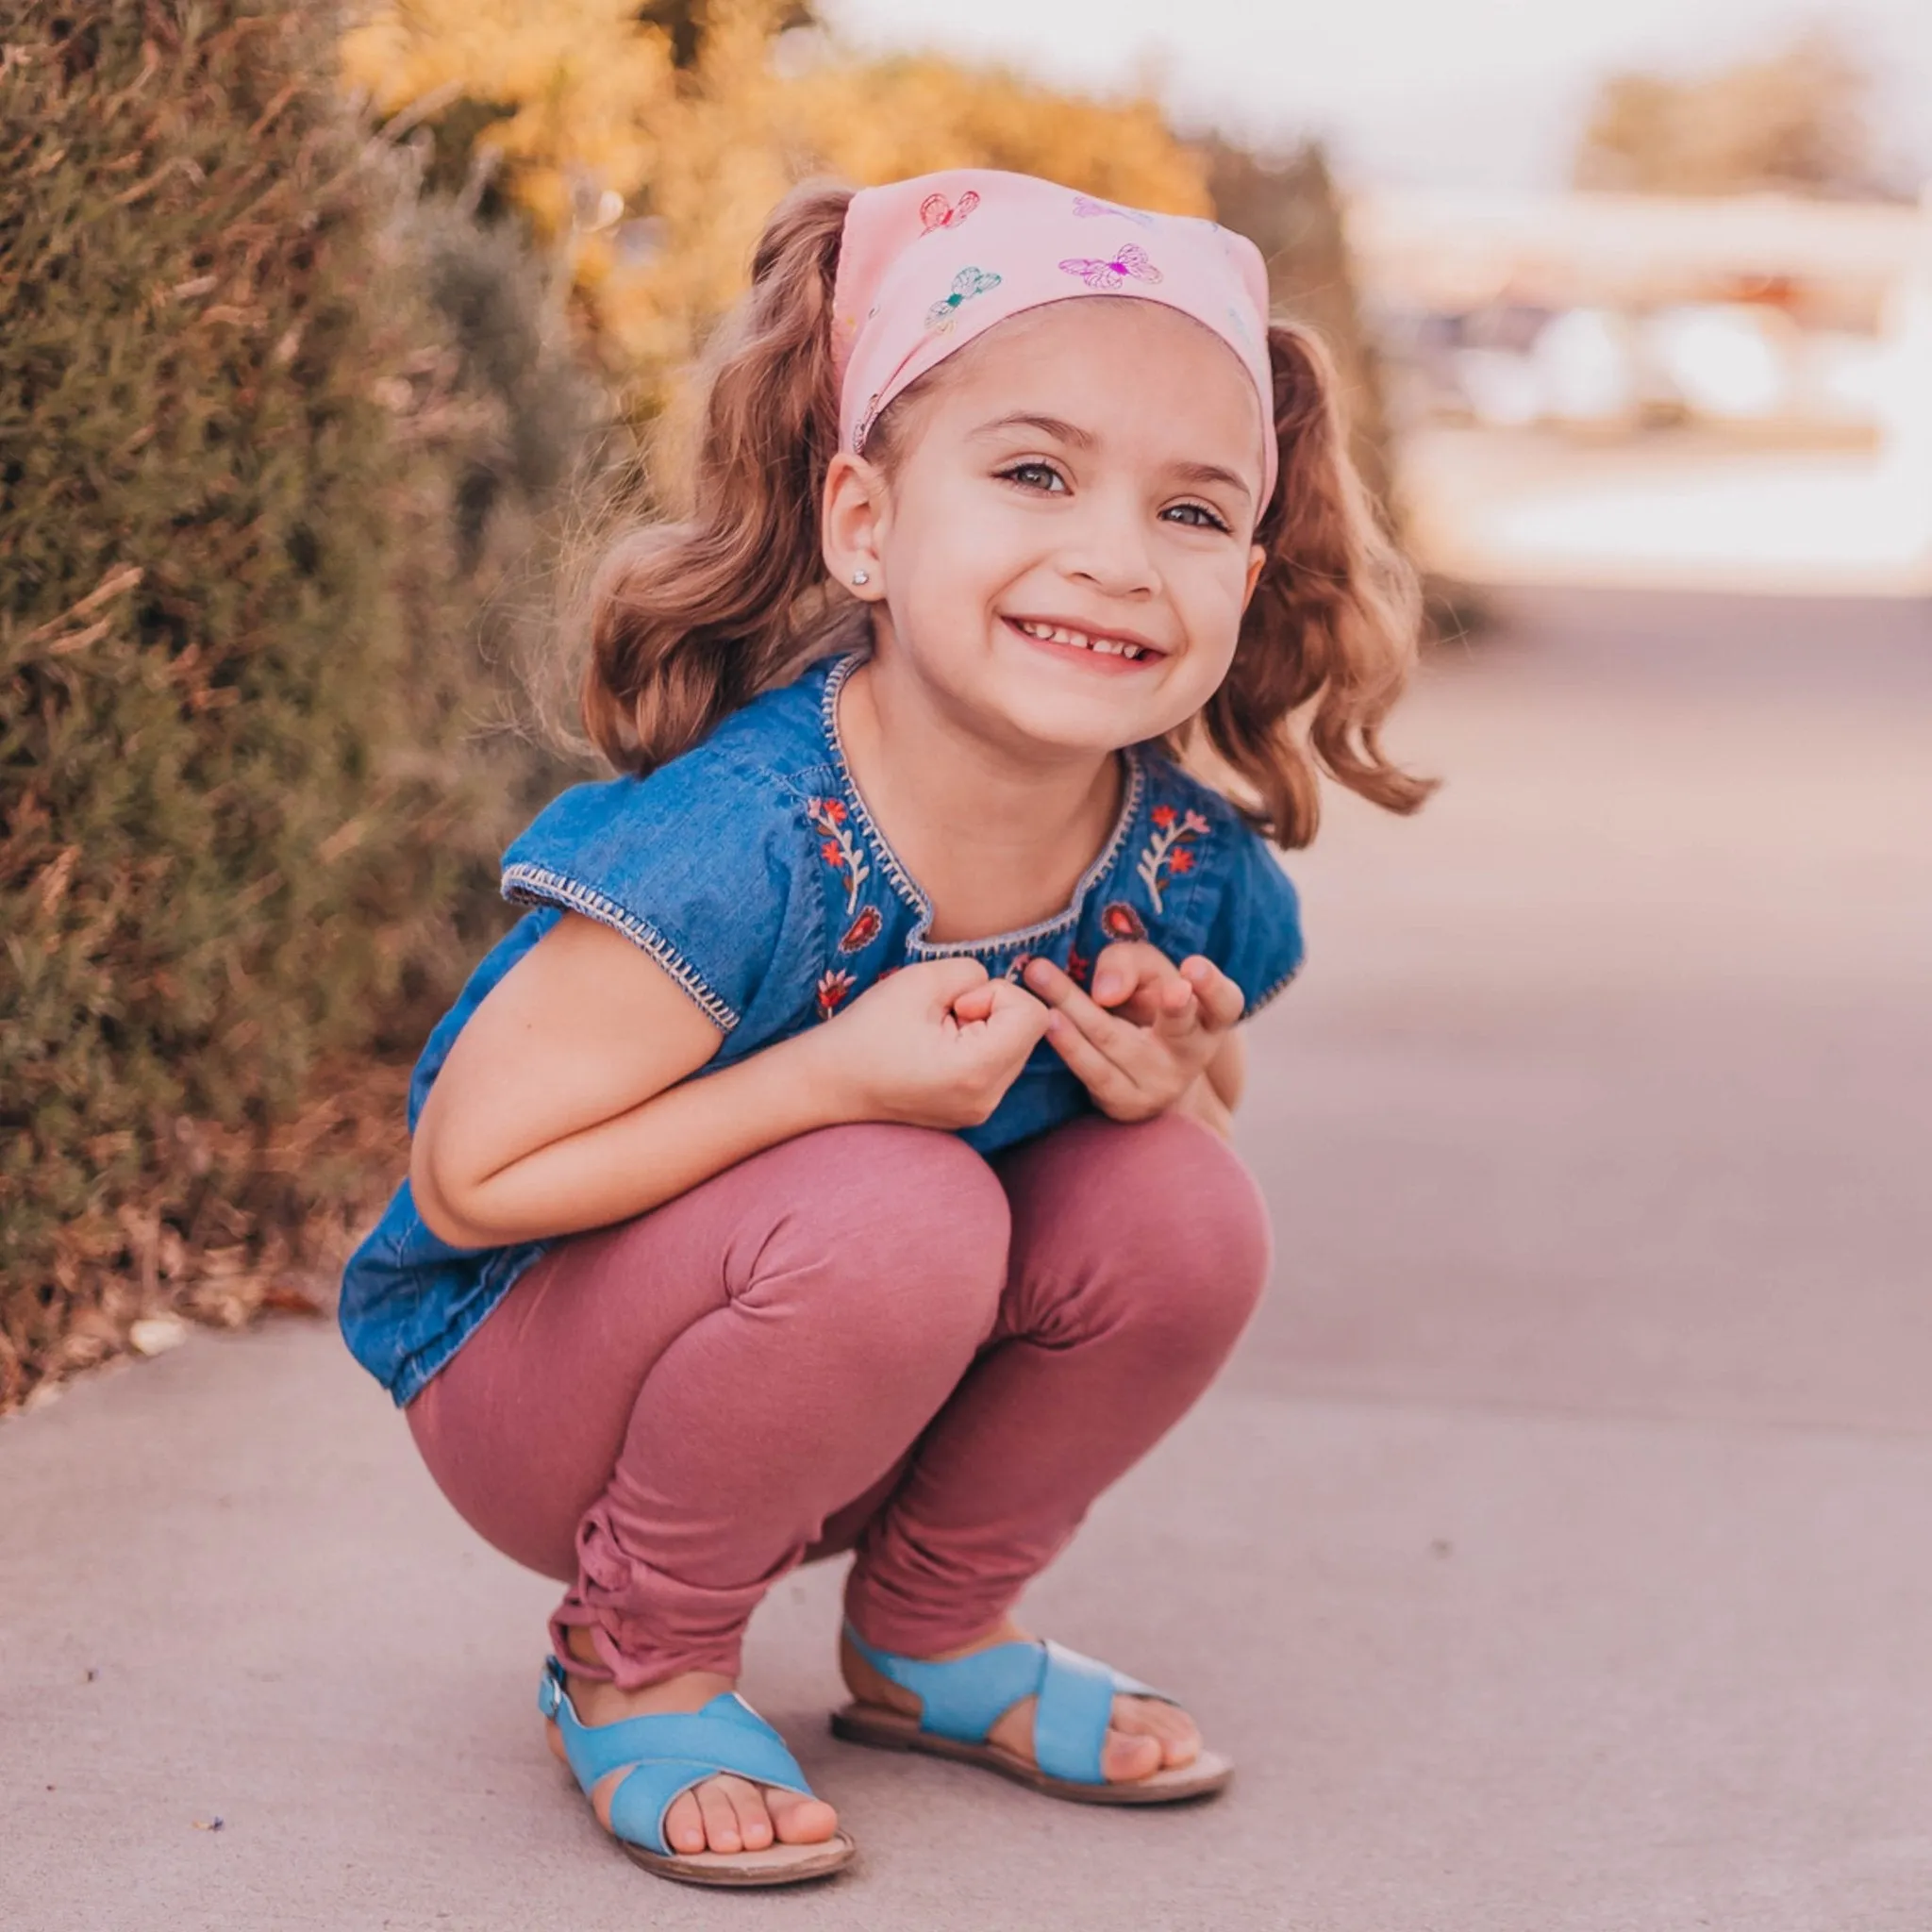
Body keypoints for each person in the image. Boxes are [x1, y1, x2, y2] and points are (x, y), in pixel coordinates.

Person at [339, 166, 1430, 1889]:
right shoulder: (744, 841)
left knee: (1189, 1203)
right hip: (536, 1382)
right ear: (864, 520)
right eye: (1034, 475)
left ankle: (932, 1641)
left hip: (846, 1396)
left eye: (1197, 513)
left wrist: (1167, 1075)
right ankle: (640, 1661)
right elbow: (468, 1184)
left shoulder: (1174, 855)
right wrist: (827, 1082)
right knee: (899, 1203)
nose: (1114, 556)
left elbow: (1195, 1137)